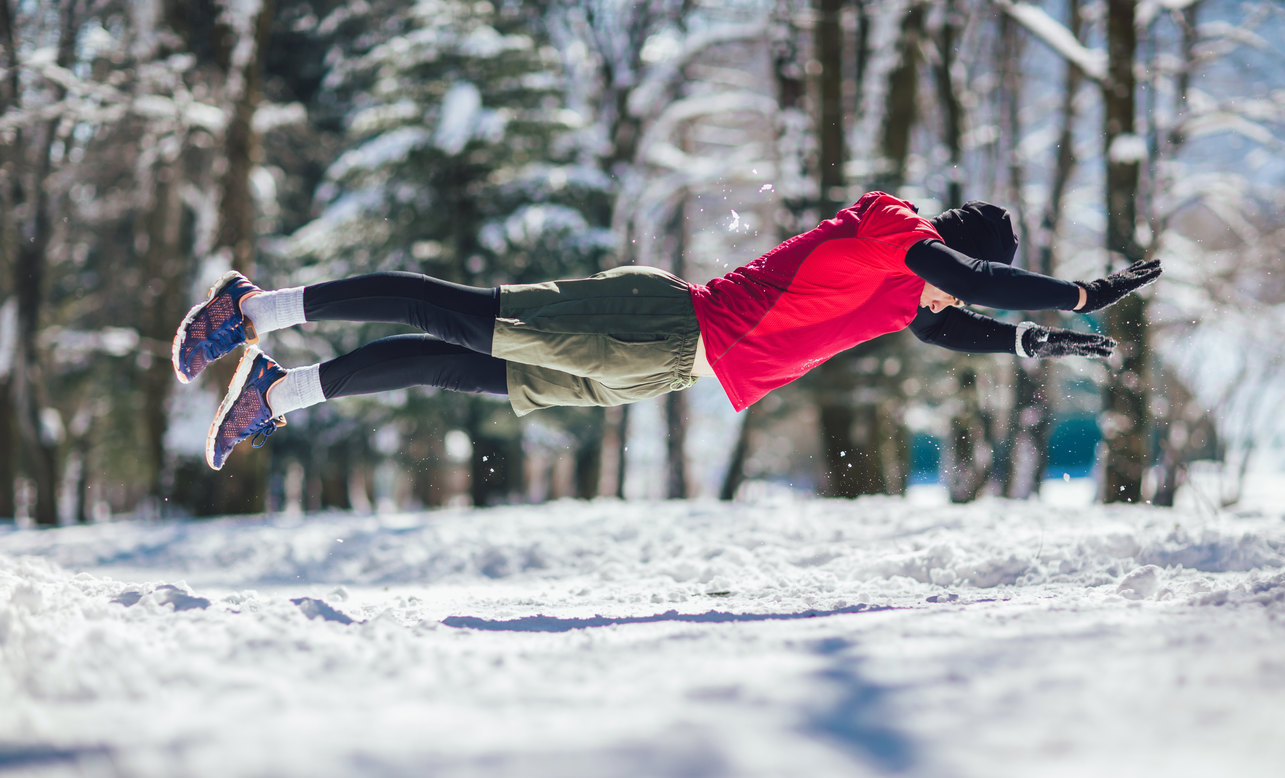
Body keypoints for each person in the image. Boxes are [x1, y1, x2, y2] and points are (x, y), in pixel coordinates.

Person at [172, 192, 1161, 470]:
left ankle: (278, 392)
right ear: (949, 249)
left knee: (460, 369)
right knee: (457, 316)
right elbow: (968, 280)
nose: (956, 307)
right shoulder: (896, 234)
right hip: (657, 320)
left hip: (669, 368)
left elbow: (957, 326)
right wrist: (1075, 296)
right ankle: (253, 310)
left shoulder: (907, 297)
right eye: (961, 284)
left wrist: (1034, 343)